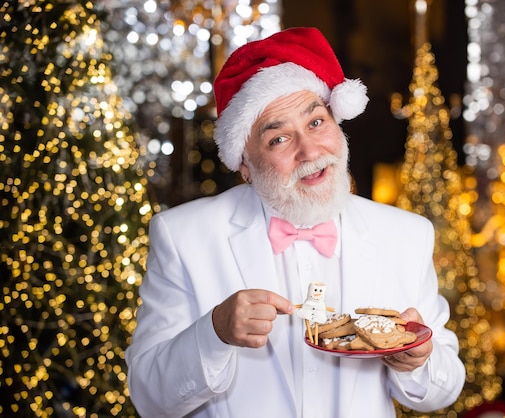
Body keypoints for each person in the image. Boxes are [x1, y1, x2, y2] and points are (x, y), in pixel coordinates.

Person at [125, 27, 465, 418]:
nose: (309, 151)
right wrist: (214, 332)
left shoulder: (406, 235)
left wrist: (417, 361)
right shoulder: (183, 236)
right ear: (245, 167)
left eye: (316, 123)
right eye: (278, 140)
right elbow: (149, 399)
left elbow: (446, 387)